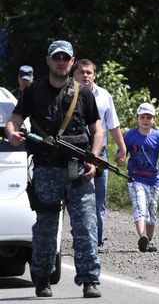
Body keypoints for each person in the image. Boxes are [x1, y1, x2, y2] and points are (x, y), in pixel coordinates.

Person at [5, 40, 103, 298]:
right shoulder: (33, 91)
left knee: (86, 227)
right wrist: (13, 134)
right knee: (46, 228)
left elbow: (97, 130)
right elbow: (13, 122)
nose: (61, 61)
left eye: (66, 58)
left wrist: (93, 158)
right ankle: (42, 278)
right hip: (47, 169)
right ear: (48, 61)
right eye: (56, 57)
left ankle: (90, 280)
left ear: (72, 62)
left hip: (79, 169)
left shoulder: (83, 93)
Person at [74, 58, 127, 248]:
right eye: (82, 72)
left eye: (89, 72)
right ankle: (80, 237)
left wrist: (122, 147)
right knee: (80, 199)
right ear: (76, 74)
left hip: (100, 154)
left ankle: (96, 241)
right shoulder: (68, 95)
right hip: (76, 153)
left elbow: (112, 125)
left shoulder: (104, 96)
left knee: (98, 200)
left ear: (94, 75)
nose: (85, 75)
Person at [122, 102, 159, 253]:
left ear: (153, 120)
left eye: (149, 117)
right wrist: (120, 158)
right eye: (142, 117)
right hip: (135, 179)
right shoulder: (130, 135)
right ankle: (142, 236)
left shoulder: (157, 136)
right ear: (137, 119)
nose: (145, 120)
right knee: (140, 207)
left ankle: (148, 241)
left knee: (152, 213)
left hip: (153, 180)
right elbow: (122, 153)